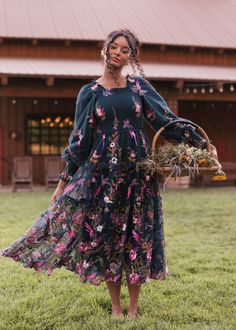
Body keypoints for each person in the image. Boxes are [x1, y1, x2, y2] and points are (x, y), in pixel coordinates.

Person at [0, 29, 217, 319]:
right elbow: (79, 141)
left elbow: (167, 121)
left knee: (138, 239)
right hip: (104, 178)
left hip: (139, 176)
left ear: (131, 57)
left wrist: (202, 144)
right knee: (110, 239)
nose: (117, 52)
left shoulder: (139, 88)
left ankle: (134, 308)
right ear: (105, 49)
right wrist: (63, 181)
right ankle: (116, 308)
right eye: (113, 47)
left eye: (124, 50)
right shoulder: (90, 93)